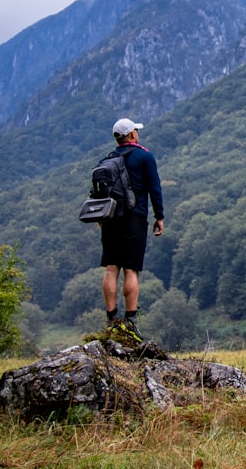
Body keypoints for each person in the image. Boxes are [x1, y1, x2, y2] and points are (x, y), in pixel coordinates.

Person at [100, 118, 164, 335]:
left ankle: (111, 319)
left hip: (109, 219)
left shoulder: (108, 159)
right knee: (131, 270)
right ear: (132, 135)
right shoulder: (145, 156)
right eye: (136, 130)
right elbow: (155, 188)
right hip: (134, 218)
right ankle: (130, 323)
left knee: (111, 268)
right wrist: (159, 216)